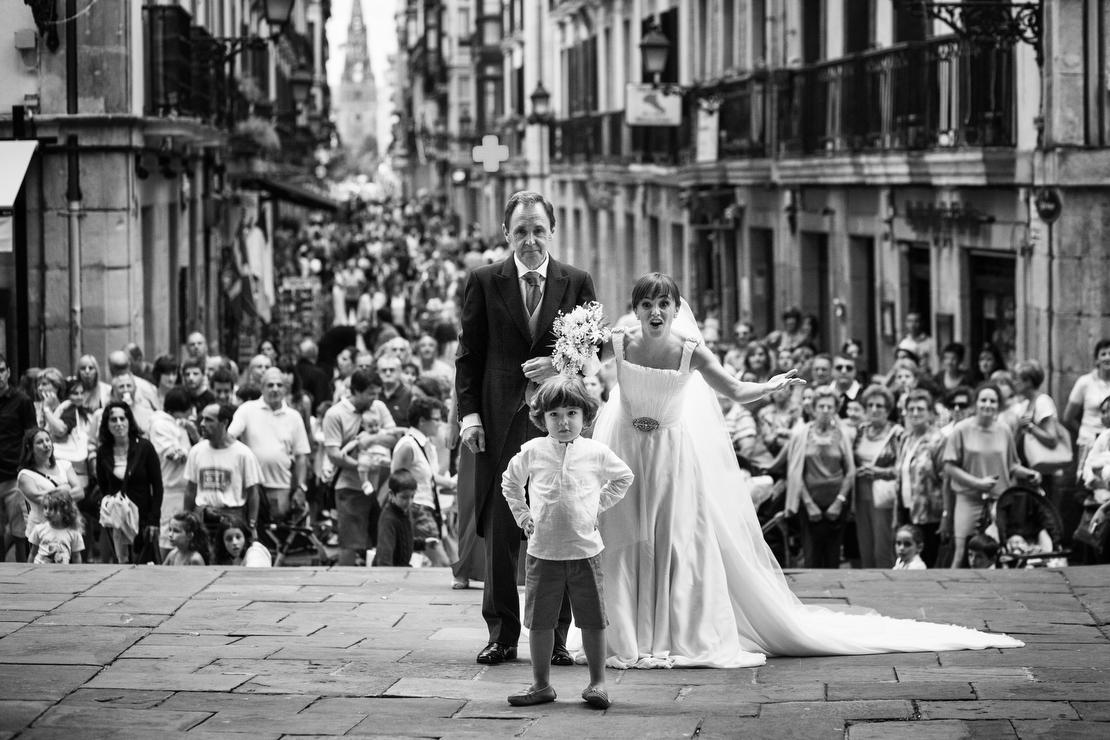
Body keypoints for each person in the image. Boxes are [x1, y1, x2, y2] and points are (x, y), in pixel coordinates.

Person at [588, 273, 1021, 669]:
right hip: (625, 448)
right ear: (636, 309)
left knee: (673, 539)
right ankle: (624, 630)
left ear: (676, 307)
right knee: (624, 538)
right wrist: (557, 361)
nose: (656, 313)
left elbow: (735, 389)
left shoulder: (689, 349)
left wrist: (770, 386)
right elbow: (580, 361)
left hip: (669, 454)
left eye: (664, 303)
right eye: (647, 305)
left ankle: (670, 630)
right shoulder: (620, 341)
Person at [455, 190, 598, 667]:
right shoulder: (483, 280)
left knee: (557, 530)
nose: (530, 240)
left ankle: (556, 637)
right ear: (506, 233)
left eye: (538, 230)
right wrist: (469, 416)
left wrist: (558, 365)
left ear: (552, 231)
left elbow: (590, 357)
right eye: (521, 231)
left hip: (559, 427)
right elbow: (468, 356)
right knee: (500, 533)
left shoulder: (576, 282)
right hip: (499, 423)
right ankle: (501, 635)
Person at [502, 376, 633, 709]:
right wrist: (523, 515)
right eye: (555, 414)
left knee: (592, 619)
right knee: (540, 622)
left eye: (572, 413)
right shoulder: (532, 451)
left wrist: (596, 506)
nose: (563, 421)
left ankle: (598, 684)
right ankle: (541, 684)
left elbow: (623, 478)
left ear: (585, 415)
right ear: (541, 417)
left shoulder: (596, 452)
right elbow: (510, 483)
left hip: (585, 552)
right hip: (542, 552)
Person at [942, 384, 1042, 568]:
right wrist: (977, 483)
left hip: (999, 501)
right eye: (983, 400)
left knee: (995, 551)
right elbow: (949, 466)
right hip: (969, 498)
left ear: (999, 405)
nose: (987, 405)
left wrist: (1030, 474)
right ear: (975, 404)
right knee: (962, 550)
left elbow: (1012, 465)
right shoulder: (961, 430)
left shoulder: (1004, 430)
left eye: (993, 401)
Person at [784, 387, 855, 569]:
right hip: (809, 502)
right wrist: (808, 503)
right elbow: (795, 471)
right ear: (813, 408)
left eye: (829, 407)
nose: (825, 410)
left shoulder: (843, 434)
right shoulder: (802, 434)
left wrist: (839, 502)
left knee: (833, 556)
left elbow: (850, 471)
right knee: (811, 555)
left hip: (837, 503)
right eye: (821, 406)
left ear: (835, 409)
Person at [228, 368, 311, 522]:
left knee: (276, 532)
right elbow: (229, 436)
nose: (275, 389)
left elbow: (301, 457)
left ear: (286, 389)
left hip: (280, 486)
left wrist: (301, 488)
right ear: (261, 387)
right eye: (270, 385)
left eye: (279, 385)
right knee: (251, 530)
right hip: (250, 487)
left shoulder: (294, 417)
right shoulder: (246, 410)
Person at [323, 369, 383, 565]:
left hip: (379, 486)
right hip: (349, 487)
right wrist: (362, 466)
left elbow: (393, 434)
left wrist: (371, 441)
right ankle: (345, 585)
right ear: (355, 391)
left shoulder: (378, 407)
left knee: (377, 542)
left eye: (377, 393)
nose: (375, 399)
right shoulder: (335, 414)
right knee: (350, 543)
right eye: (370, 394)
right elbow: (334, 455)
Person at [94, 402, 163, 563]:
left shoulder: (145, 447)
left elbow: (158, 486)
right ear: (106, 424)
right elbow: (103, 486)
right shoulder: (103, 451)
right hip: (117, 520)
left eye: (122, 418)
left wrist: (154, 519)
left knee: (145, 564)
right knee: (121, 563)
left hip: (143, 518)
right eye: (113, 420)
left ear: (129, 420)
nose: (118, 423)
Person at [183, 402, 262, 541]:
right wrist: (186, 520)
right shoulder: (196, 451)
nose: (202, 424)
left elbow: (253, 492)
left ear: (224, 423)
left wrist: (252, 524)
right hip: (203, 518)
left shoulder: (243, 454)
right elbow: (190, 490)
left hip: (232, 519)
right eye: (202, 419)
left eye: (209, 420)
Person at [390, 395, 454, 567]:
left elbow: (428, 477)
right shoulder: (408, 445)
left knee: (438, 560)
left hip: (427, 508)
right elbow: (396, 479)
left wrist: (451, 484)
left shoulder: (426, 445)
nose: (439, 423)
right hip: (416, 508)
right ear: (422, 421)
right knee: (441, 562)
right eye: (436, 419)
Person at [895, 389, 947, 567]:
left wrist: (947, 514)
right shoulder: (905, 438)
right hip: (907, 510)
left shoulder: (938, 439)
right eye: (911, 409)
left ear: (931, 413)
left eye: (920, 409)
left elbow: (945, 479)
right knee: (908, 563)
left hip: (931, 514)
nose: (915, 413)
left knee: (928, 562)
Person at [853, 385, 903, 569]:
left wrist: (877, 472)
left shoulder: (896, 433)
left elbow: (901, 468)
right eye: (870, 405)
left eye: (879, 406)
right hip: (860, 494)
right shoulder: (861, 431)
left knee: (882, 546)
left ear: (888, 409)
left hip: (883, 496)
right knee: (864, 544)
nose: (874, 409)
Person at [17, 427, 82, 562]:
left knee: (70, 563)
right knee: (39, 564)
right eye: (40, 442)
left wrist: (54, 494)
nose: (46, 444)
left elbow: (80, 492)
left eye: (48, 440)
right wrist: (65, 488)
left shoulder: (64, 465)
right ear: (29, 447)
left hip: (67, 526)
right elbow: (40, 498)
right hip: (40, 531)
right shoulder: (25, 475)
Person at [148, 387, 197, 557]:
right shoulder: (160, 424)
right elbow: (174, 455)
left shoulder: (179, 425)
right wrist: (191, 452)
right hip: (170, 488)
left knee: (183, 535)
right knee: (169, 535)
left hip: (184, 488)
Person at [1, 355, 37, 561]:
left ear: (8, 372)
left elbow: (31, 436)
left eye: (0, 370)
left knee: (19, 532)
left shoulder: (21, 401)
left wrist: (27, 470)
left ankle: (23, 573)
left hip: (13, 475)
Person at [373, 470, 436, 566]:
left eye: (412, 497)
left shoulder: (405, 511)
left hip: (401, 569)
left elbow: (403, 541)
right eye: (404, 497)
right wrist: (386, 577)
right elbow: (384, 556)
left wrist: (423, 543)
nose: (409, 502)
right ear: (391, 494)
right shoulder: (388, 520)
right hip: (389, 572)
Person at [29, 489, 84, 564]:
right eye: (45, 507)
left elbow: (76, 556)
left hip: (61, 573)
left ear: (64, 510)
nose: (47, 512)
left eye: (51, 508)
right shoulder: (39, 529)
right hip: (39, 572)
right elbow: (32, 553)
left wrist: (77, 574)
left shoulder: (73, 532)